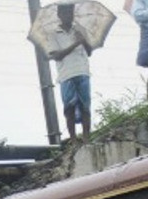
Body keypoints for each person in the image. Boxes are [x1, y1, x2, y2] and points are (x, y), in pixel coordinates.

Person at [44, 3, 93, 141]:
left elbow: (89, 52)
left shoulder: (80, 29)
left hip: (83, 71)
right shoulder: (53, 34)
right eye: (65, 13)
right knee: (69, 107)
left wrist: (83, 40)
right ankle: (72, 138)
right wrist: (75, 44)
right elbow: (57, 55)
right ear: (59, 15)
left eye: (71, 12)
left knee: (85, 106)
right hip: (66, 74)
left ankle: (86, 136)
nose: (69, 16)